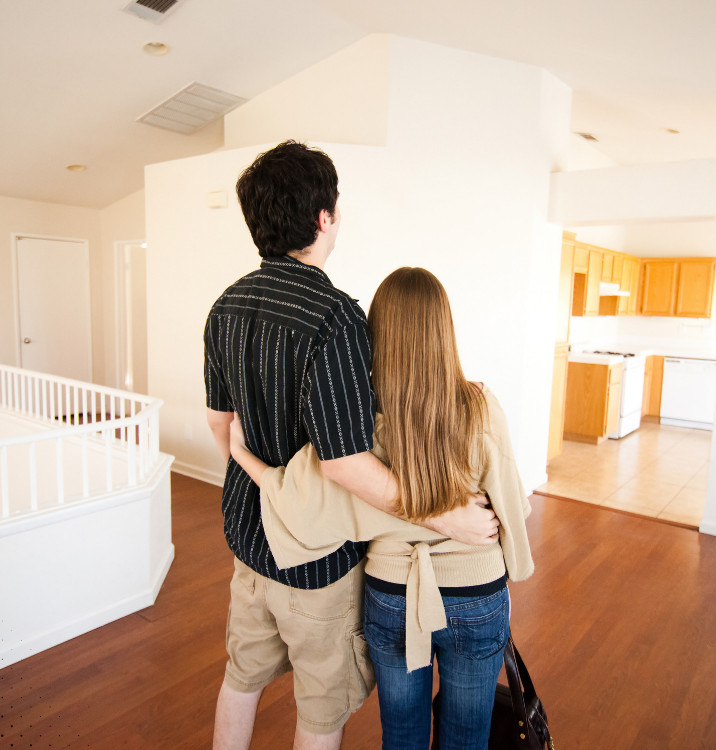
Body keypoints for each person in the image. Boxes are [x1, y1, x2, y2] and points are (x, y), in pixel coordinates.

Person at [204, 142, 501, 750]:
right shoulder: (335, 318)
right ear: (324, 217)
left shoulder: (225, 306)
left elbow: (221, 424)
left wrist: (252, 466)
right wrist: (446, 516)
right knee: (322, 708)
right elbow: (344, 463)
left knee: (240, 678)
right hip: (314, 562)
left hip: (247, 544)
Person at [228, 266, 535, 750]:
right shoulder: (481, 408)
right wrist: (511, 561)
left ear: (377, 335)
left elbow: (294, 497)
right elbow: (513, 510)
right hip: (476, 596)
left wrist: (241, 453)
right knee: (467, 738)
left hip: (391, 596)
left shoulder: (359, 425)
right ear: (444, 330)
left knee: (402, 736)